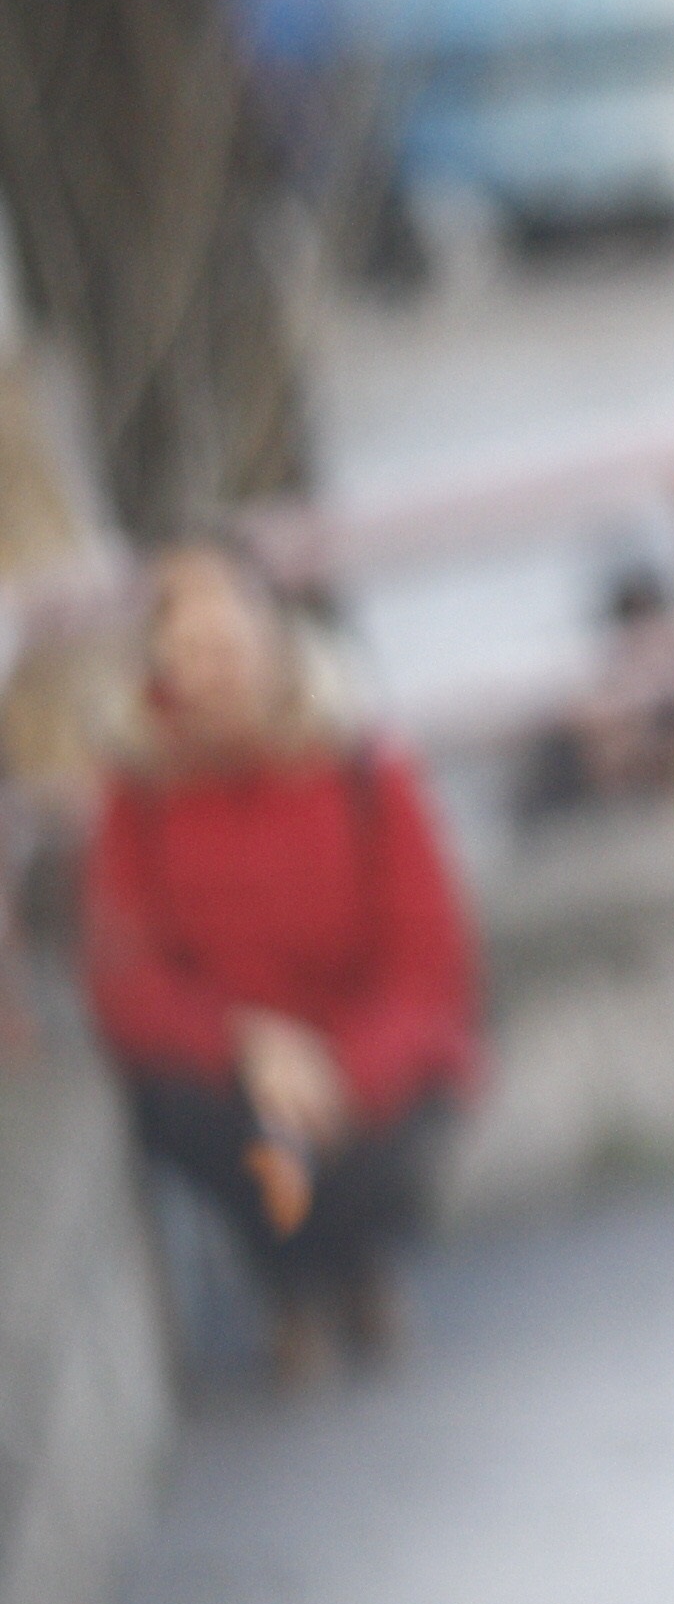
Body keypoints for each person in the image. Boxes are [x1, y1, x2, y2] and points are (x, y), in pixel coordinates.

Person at [82, 543, 477, 1384]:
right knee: (208, 1123)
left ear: (274, 643)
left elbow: (429, 956)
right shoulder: (138, 790)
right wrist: (247, 1044)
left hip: (359, 1040)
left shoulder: (362, 764)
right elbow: (125, 973)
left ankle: (356, 1267)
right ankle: (296, 1291)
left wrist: (344, 1068)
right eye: (192, 653)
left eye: (229, 648)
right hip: (230, 1057)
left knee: (381, 1126)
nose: (215, 673)